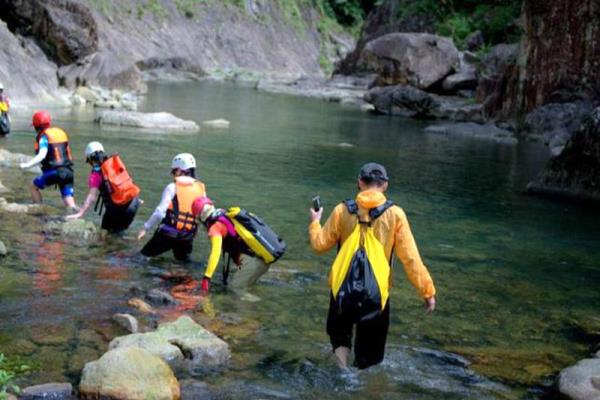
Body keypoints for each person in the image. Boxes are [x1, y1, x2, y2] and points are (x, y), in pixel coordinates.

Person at [308, 162, 436, 370]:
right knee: (369, 356)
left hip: (342, 288)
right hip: (377, 294)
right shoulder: (395, 214)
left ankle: (341, 370)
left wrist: (315, 222)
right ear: (384, 185)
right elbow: (411, 258)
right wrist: (427, 291)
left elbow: (319, 245)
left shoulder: (342, 210)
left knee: (340, 337)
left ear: (360, 182)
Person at [191, 196, 273, 294]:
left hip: (252, 264)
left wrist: (207, 277)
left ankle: (256, 307)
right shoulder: (224, 214)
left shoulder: (215, 227)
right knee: (246, 287)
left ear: (200, 217)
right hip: (262, 258)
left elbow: (215, 253)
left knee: (235, 290)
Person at [137, 153, 206, 261]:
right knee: (183, 264)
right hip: (187, 236)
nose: (174, 174)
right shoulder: (201, 189)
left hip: (168, 234)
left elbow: (160, 212)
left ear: (179, 170)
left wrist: (145, 228)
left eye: (174, 171)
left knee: (141, 258)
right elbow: (202, 215)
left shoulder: (172, 187)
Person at [66, 141, 141, 233]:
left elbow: (92, 197)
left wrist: (80, 213)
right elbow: (126, 180)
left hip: (118, 209)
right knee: (117, 234)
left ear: (90, 159)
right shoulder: (114, 163)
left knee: (108, 234)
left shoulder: (96, 173)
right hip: (134, 202)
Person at [19, 110, 76, 208]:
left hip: (55, 173)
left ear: (36, 126)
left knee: (33, 187)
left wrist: (26, 165)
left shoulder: (44, 137)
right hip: (68, 172)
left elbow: (42, 155)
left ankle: (39, 209)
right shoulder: (60, 133)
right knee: (70, 203)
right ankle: (77, 216)